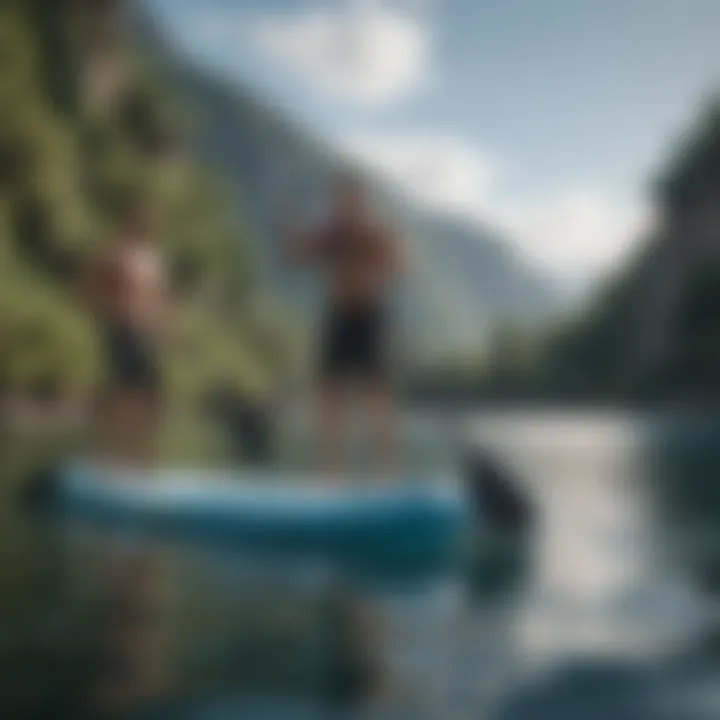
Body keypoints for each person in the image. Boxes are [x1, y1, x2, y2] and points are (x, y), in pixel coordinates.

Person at [286, 173, 403, 476]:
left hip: (369, 316)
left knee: (376, 393)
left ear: (362, 203)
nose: (347, 207)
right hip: (338, 316)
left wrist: (387, 254)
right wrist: (293, 232)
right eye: (341, 201)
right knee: (329, 392)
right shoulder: (330, 235)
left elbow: (399, 265)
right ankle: (331, 471)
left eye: (352, 201)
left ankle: (385, 469)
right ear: (336, 204)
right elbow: (296, 256)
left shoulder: (374, 233)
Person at [81, 203, 170, 466]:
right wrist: (107, 310)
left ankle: (138, 456)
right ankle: (110, 454)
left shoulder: (153, 259)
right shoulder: (116, 254)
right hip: (123, 328)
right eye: (140, 221)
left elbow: (160, 297)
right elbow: (90, 285)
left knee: (151, 393)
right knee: (123, 390)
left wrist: (165, 325)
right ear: (129, 224)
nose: (146, 226)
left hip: (148, 333)